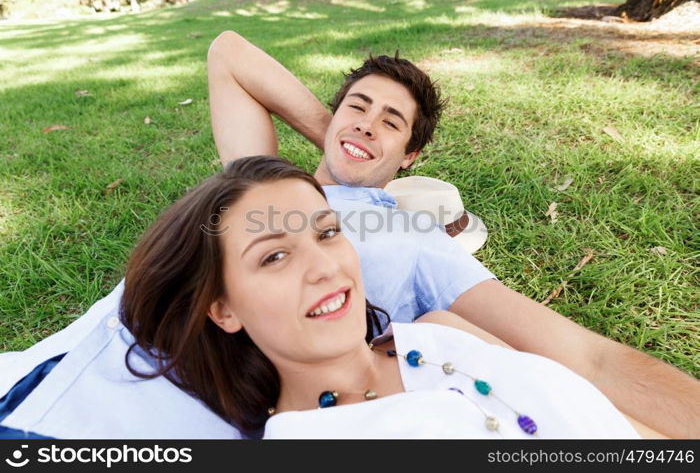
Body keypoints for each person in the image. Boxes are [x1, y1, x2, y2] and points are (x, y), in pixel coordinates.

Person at [206, 30, 700, 438]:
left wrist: (365, 153)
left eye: (391, 122)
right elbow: (228, 52)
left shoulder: (412, 235)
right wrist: (344, 140)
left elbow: (590, 361)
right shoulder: (266, 190)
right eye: (357, 106)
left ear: (410, 158)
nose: (367, 124)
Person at [120, 155, 640, 438]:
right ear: (224, 309)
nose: (326, 267)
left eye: (327, 233)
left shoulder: (438, 333)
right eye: (274, 257)